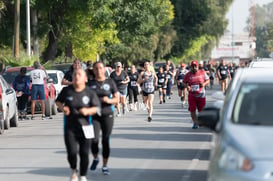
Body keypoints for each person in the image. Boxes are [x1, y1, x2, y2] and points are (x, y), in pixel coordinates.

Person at [55, 69, 100, 181]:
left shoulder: (89, 92)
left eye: (79, 74)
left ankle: (83, 175)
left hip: (86, 127)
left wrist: (88, 111)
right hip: (70, 127)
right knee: (72, 152)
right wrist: (63, 108)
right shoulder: (67, 90)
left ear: (85, 78)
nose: (76, 76)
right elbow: (58, 101)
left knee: (84, 153)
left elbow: (96, 108)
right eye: (75, 74)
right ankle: (74, 170)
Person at [88, 61, 119, 175]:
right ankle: (96, 158)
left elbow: (117, 99)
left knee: (105, 140)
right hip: (94, 114)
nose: (98, 70)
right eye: (96, 68)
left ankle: (105, 165)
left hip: (107, 114)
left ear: (104, 69)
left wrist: (108, 100)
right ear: (94, 70)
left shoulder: (110, 82)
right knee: (94, 140)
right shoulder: (90, 84)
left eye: (100, 68)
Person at [183, 60, 210, 129]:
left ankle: (200, 121)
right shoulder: (188, 74)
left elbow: (208, 80)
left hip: (201, 95)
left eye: (195, 66)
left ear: (198, 66)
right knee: (192, 110)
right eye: (193, 66)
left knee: (201, 110)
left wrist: (204, 84)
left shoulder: (202, 72)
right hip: (192, 95)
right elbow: (184, 82)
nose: (194, 67)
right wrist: (187, 86)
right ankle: (195, 122)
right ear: (191, 67)